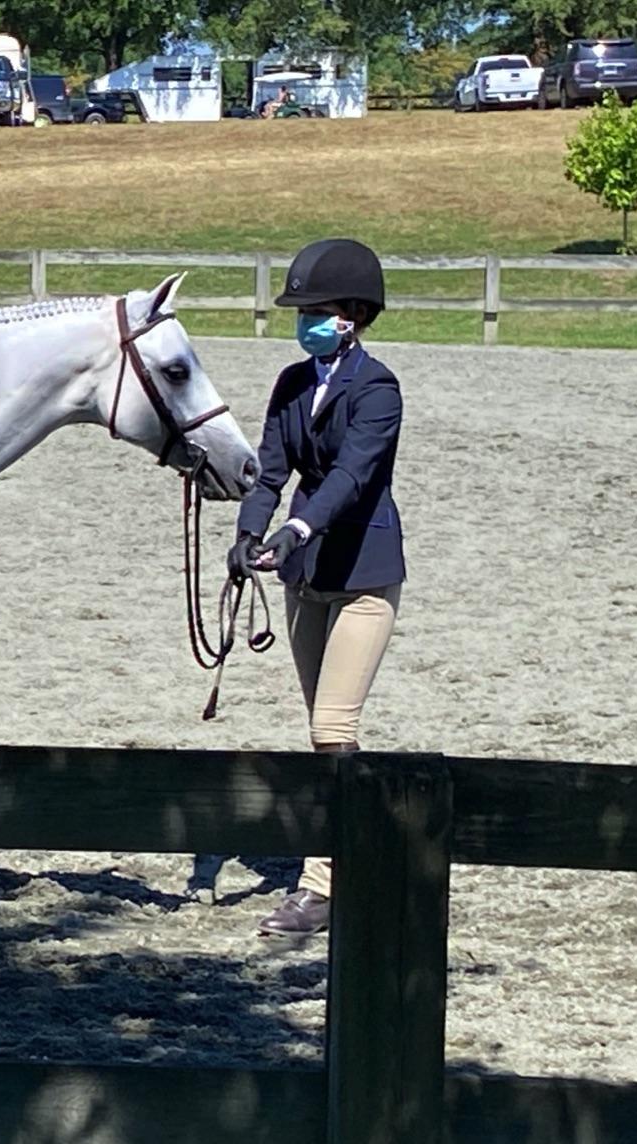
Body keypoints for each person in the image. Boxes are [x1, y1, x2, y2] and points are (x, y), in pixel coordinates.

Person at [228, 238, 405, 936]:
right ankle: (352, 851)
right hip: (307, 583)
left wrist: (294, 532)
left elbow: (351, 478)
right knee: (320, 733)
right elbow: (269, 469)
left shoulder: (379, 390)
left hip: (363, 573)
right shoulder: (292, 384)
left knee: (336, 725)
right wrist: (248, 534)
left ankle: (324, 886)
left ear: (355, 316)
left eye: (319, 312)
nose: (308, 324)